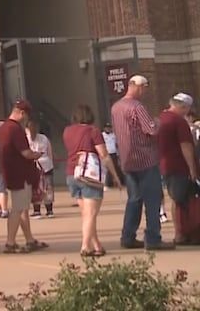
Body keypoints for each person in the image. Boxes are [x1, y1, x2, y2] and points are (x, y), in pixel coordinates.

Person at [111, 75, 174, 250]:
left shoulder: (116, 107)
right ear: (138, 87)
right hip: (145, 159)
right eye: (145, 87)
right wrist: (158, 121)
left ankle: (128, 236)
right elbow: (151, 130)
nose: (146, 91)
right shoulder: (137, 107)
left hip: (127, 161)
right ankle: (153, 238)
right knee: (153, 200)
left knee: (134, 199)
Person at [64, 104, 123, 257]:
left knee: (86, 214)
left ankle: (97, 245)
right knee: (91, 214)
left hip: (72, 173)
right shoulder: (93, 131)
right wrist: (115, 176)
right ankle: (85, 246)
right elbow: (104, 155)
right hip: (89, 175)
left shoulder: (67, 131)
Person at [0, 100, 47, 254]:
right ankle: (10, 243)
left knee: (23, 208)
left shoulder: (3, 128)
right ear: (22, 113)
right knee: (18, 209)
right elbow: (25, 153)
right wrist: (37, 155)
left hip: (11, 173)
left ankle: (29, 240)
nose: (26, 119)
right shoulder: (15, 129)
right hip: (21, 175)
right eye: (26, 115)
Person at [158, 93, 199, 245]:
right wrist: (192, 169)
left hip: (165, 166)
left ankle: (182, 232)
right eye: (187, 109)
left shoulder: (161, 118)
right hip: (179, 167)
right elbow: (186, 146)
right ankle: (182, 233)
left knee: (177, 199)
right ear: (183, 107)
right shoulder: (178, 121)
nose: (187, 112)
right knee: (182, 200)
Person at [28, 119, 55, 218]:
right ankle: (47, 210)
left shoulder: (40, 138)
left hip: (39, 165)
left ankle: (40, 210)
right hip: (42, 165)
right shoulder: (43, 138)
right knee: (45, 188)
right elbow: (50, 153)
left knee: (39, 188)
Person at [102, 123, 124, 188]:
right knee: (107, 169)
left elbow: (117, 145)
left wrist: (118, 154)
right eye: (106, 127)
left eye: (109, 127)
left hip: (114, 154)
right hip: (106, 154)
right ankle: (106, 184)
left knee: (116, 168)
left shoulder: (113, 135)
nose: (108, 129)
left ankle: (116, 183)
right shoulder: (102, 135)